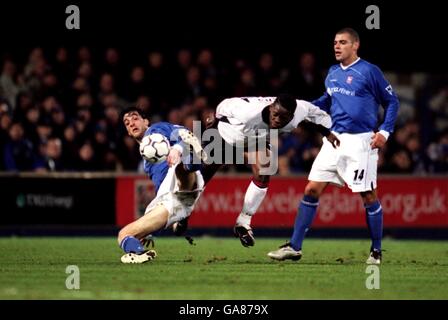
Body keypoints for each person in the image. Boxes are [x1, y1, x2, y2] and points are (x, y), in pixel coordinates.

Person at [268, 28, 400, 264]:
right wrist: (304, 107)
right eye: (335, 43)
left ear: (355, 45)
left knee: (368, 195)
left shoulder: (370, 71)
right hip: (334, 139)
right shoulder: (332, 73)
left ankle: (376, 251)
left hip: (362, 141)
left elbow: (392, 101)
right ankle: (294, 246)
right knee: (311, 189)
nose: (337, 46)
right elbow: (328, 100)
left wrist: (385, 132)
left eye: (343, 42)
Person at [201, 93, 339, 247]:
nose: (278, 120)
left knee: (265, 169)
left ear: (292, 116)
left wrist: (328, 134)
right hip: (229, 134)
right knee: (201, 174)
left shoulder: (299, 111)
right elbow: (225, 104)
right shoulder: (247, 112)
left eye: (284, 117)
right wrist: (214, 117)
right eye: (276, 115)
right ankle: (184, 210)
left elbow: (315, 116)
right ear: (271, 107)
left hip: (255, 139)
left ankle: (243, 222)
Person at [118, 106, 206, 264]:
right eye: (127, 122)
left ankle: (192, 161)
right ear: (128, 133)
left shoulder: (156, 130)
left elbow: (183, 134)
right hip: (172, 199)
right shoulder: (147, 161)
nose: (131, 123)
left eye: (135, 118)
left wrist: (178, 149)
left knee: (180, 168)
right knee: (124, 235)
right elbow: (162, 191)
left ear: (146, 121)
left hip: (181, 177)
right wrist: (151, 231)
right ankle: (139, 253)